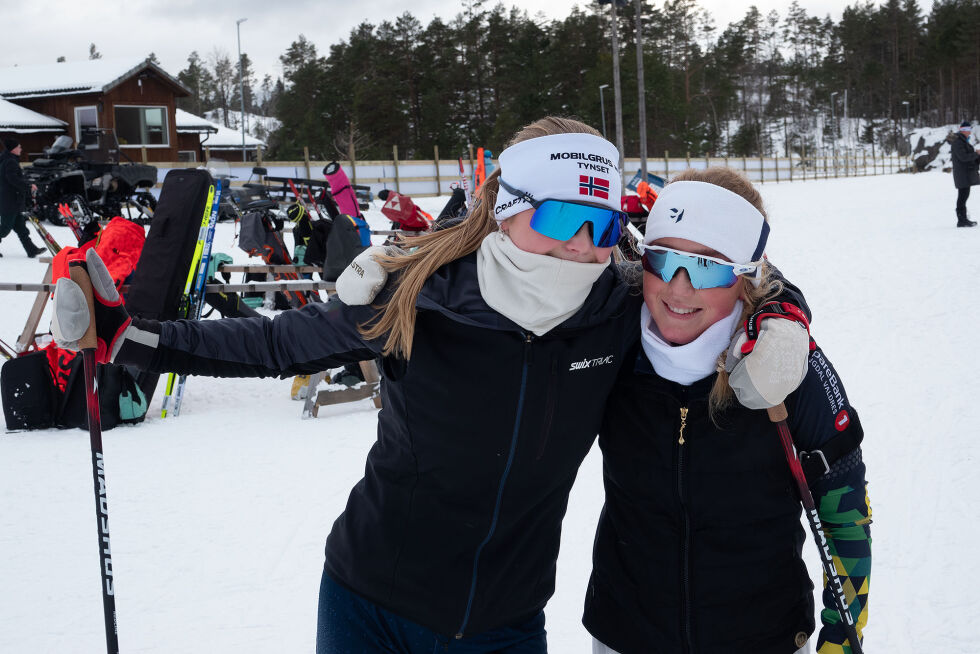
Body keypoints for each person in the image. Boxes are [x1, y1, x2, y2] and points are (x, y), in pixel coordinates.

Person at [51, 118, 809, 654]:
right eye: (562, 218)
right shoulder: (422, 293)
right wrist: (131, 338)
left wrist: (782, 309)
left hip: (503, 624)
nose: (582, 246)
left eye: (603, 226)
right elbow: (279, 342)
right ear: (507, 211)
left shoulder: (616, 309)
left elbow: (709, 268)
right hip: (367, 602)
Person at [583, 167, 871, 654]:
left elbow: (843, 511)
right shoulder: (611, 336)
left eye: (708, 267)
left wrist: (841, 641)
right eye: (663, 259)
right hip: (626, 633)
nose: (677, 289)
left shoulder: (785, 362)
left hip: (764, 636)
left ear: (746, 277)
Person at [0, 136, 45, 257]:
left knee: (21, 228)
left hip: (13, 201)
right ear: (13, 149)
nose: (21, 148)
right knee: (4, 229)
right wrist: (29, 186)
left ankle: (31, 250)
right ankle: (31, 250)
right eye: (19, 146)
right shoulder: (10, 161)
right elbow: (12, 179)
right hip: (9, 201)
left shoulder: (9, 159)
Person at [947, 121, 979, 227]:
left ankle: (963, 219)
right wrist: (976, 154)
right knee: (962, 196)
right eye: (968, 131)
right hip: (962, 174)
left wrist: (976, 155)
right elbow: (963, 157)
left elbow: (968, 156)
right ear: (964, 131)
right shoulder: (958, 142)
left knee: (964, 196)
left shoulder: (962, 141)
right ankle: (961, 220)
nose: (970, 133)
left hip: (966, 173)